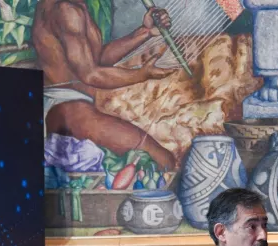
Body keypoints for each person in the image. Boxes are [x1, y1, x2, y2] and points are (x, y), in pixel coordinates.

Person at [31, 0, 179, 170]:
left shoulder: (75, 5)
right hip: (65, 109)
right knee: (163, 161)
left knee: (162, 161)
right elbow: (90, 74)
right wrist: (141, 75)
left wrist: (145, 32)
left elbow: (96, 59)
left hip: (72, 107)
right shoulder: (66, 9)